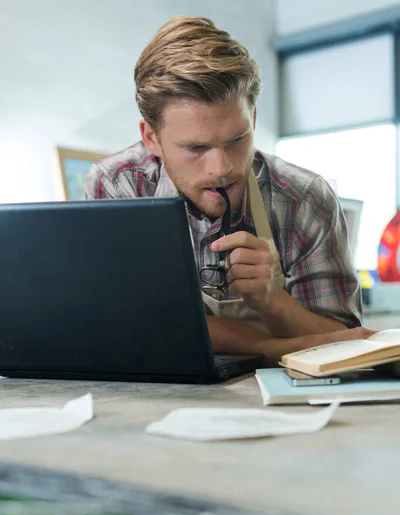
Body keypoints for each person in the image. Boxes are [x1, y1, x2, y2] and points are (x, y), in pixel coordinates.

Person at [86, 16, 373, 364]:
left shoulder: (305, 198)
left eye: (237, 140)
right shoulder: (119, 185)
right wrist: (267, 348)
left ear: (252, 119)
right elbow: (130, 324)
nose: (221, 168)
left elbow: (347, 343)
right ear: (151, 138)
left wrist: (272, 300)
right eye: (195, 148)